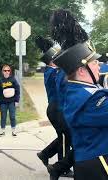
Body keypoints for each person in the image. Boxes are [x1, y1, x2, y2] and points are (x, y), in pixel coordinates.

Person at [51, 9, 108, 180]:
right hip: (98, 165)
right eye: (95, 62)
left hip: (91, 163)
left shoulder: (81, 91)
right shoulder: (89, 100)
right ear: (82, 70)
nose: (99, 65)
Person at [34, 36, 74, 179]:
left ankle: (45, 153)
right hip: (57, 108)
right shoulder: (52, 72)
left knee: (65, 137)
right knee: (65, 138)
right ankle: (62, 167)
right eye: (55, 59)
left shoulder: (52, 71)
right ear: (51, 61)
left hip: (56, 107)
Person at [0, 64, 20, 136]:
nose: (6, 72)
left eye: (8, 70)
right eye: (5, 70)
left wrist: (17, 101)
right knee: (3, 117)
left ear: (10, 72)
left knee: (12, 116)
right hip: (3, 102)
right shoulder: (0, 81)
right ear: (2, 72)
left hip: (12, 102)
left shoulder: (13, 79)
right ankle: (2, 131)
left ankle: (14, 131)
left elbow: (17, 90)